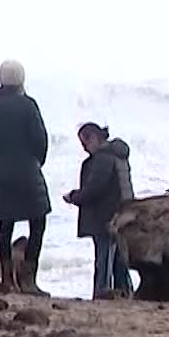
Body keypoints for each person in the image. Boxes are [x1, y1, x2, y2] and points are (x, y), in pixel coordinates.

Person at [0, 59, 51, 295]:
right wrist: (37, 160)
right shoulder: (28, 105)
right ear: (21, 79)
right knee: (38, 221)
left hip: (2, 171)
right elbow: (40, 139)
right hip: (28, 170)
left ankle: (6, 279)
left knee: (5, 224)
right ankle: (28, 280)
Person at [64, 122, 126, 299]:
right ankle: (124, 291)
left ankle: (102, 291)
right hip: (120, 212)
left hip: (105, 215)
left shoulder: (103, 158)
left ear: (93, 137)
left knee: (104, 257)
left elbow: (94, 188)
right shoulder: (118, 155)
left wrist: (74, 197)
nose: (84, 148)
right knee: (118, 259)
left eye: (85, 143)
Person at [106, 134, 135, 297]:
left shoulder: (108, 159)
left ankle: (112, 289)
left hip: (116, 209)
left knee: (112, 253)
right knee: (121, 254)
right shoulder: (122, 157)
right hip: (127, 206)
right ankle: (126, 288)